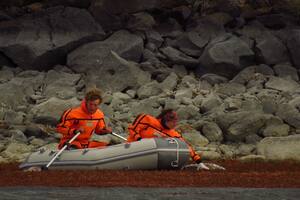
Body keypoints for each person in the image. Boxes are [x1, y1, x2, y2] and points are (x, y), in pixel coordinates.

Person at [127, 109, 202, 164]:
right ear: (165, 120)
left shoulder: (172, 133)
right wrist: (139, 139)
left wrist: (198, 161)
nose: (174, 125)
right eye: (173, 122)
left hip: (149, 154)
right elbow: (132, 129)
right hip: (132, 147)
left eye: (175, 122)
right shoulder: (148, 120)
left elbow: (186, 146)